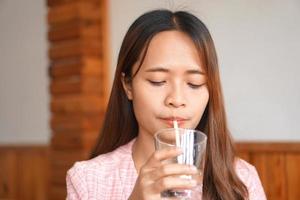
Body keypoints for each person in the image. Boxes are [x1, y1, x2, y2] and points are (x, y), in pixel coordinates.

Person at [66, 9, 266, 200]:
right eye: (157, 81)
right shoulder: (88, 180)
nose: (176, 99)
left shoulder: (242, 180)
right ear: (128, 85)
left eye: (194, 84)